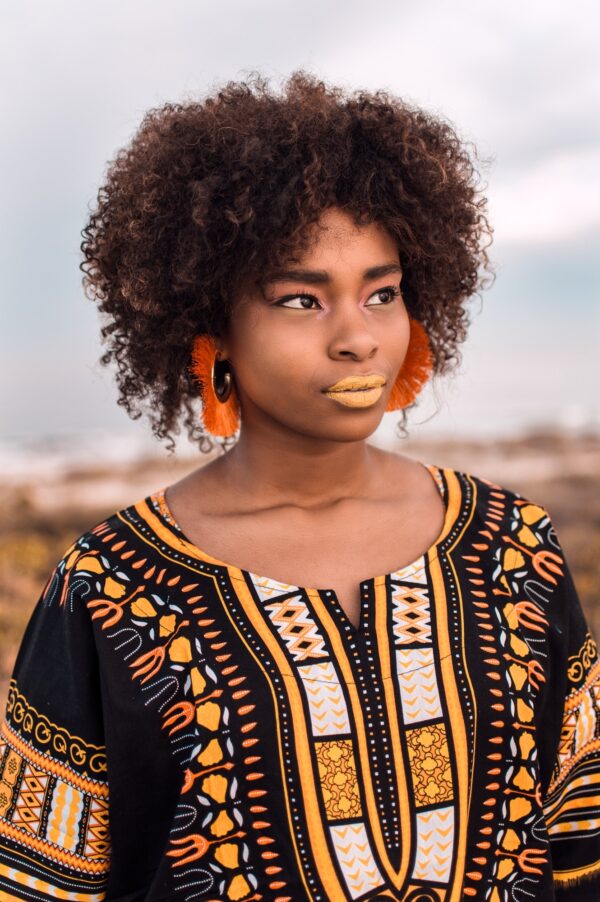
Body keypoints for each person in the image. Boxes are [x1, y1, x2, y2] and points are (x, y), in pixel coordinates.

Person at [0, 71, 598, 902]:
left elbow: (581, 844)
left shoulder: (516, 547)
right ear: (213, 333)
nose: (357, 338)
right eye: (300, 300)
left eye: (381, 293)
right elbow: (39, 881)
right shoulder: (107, 587)